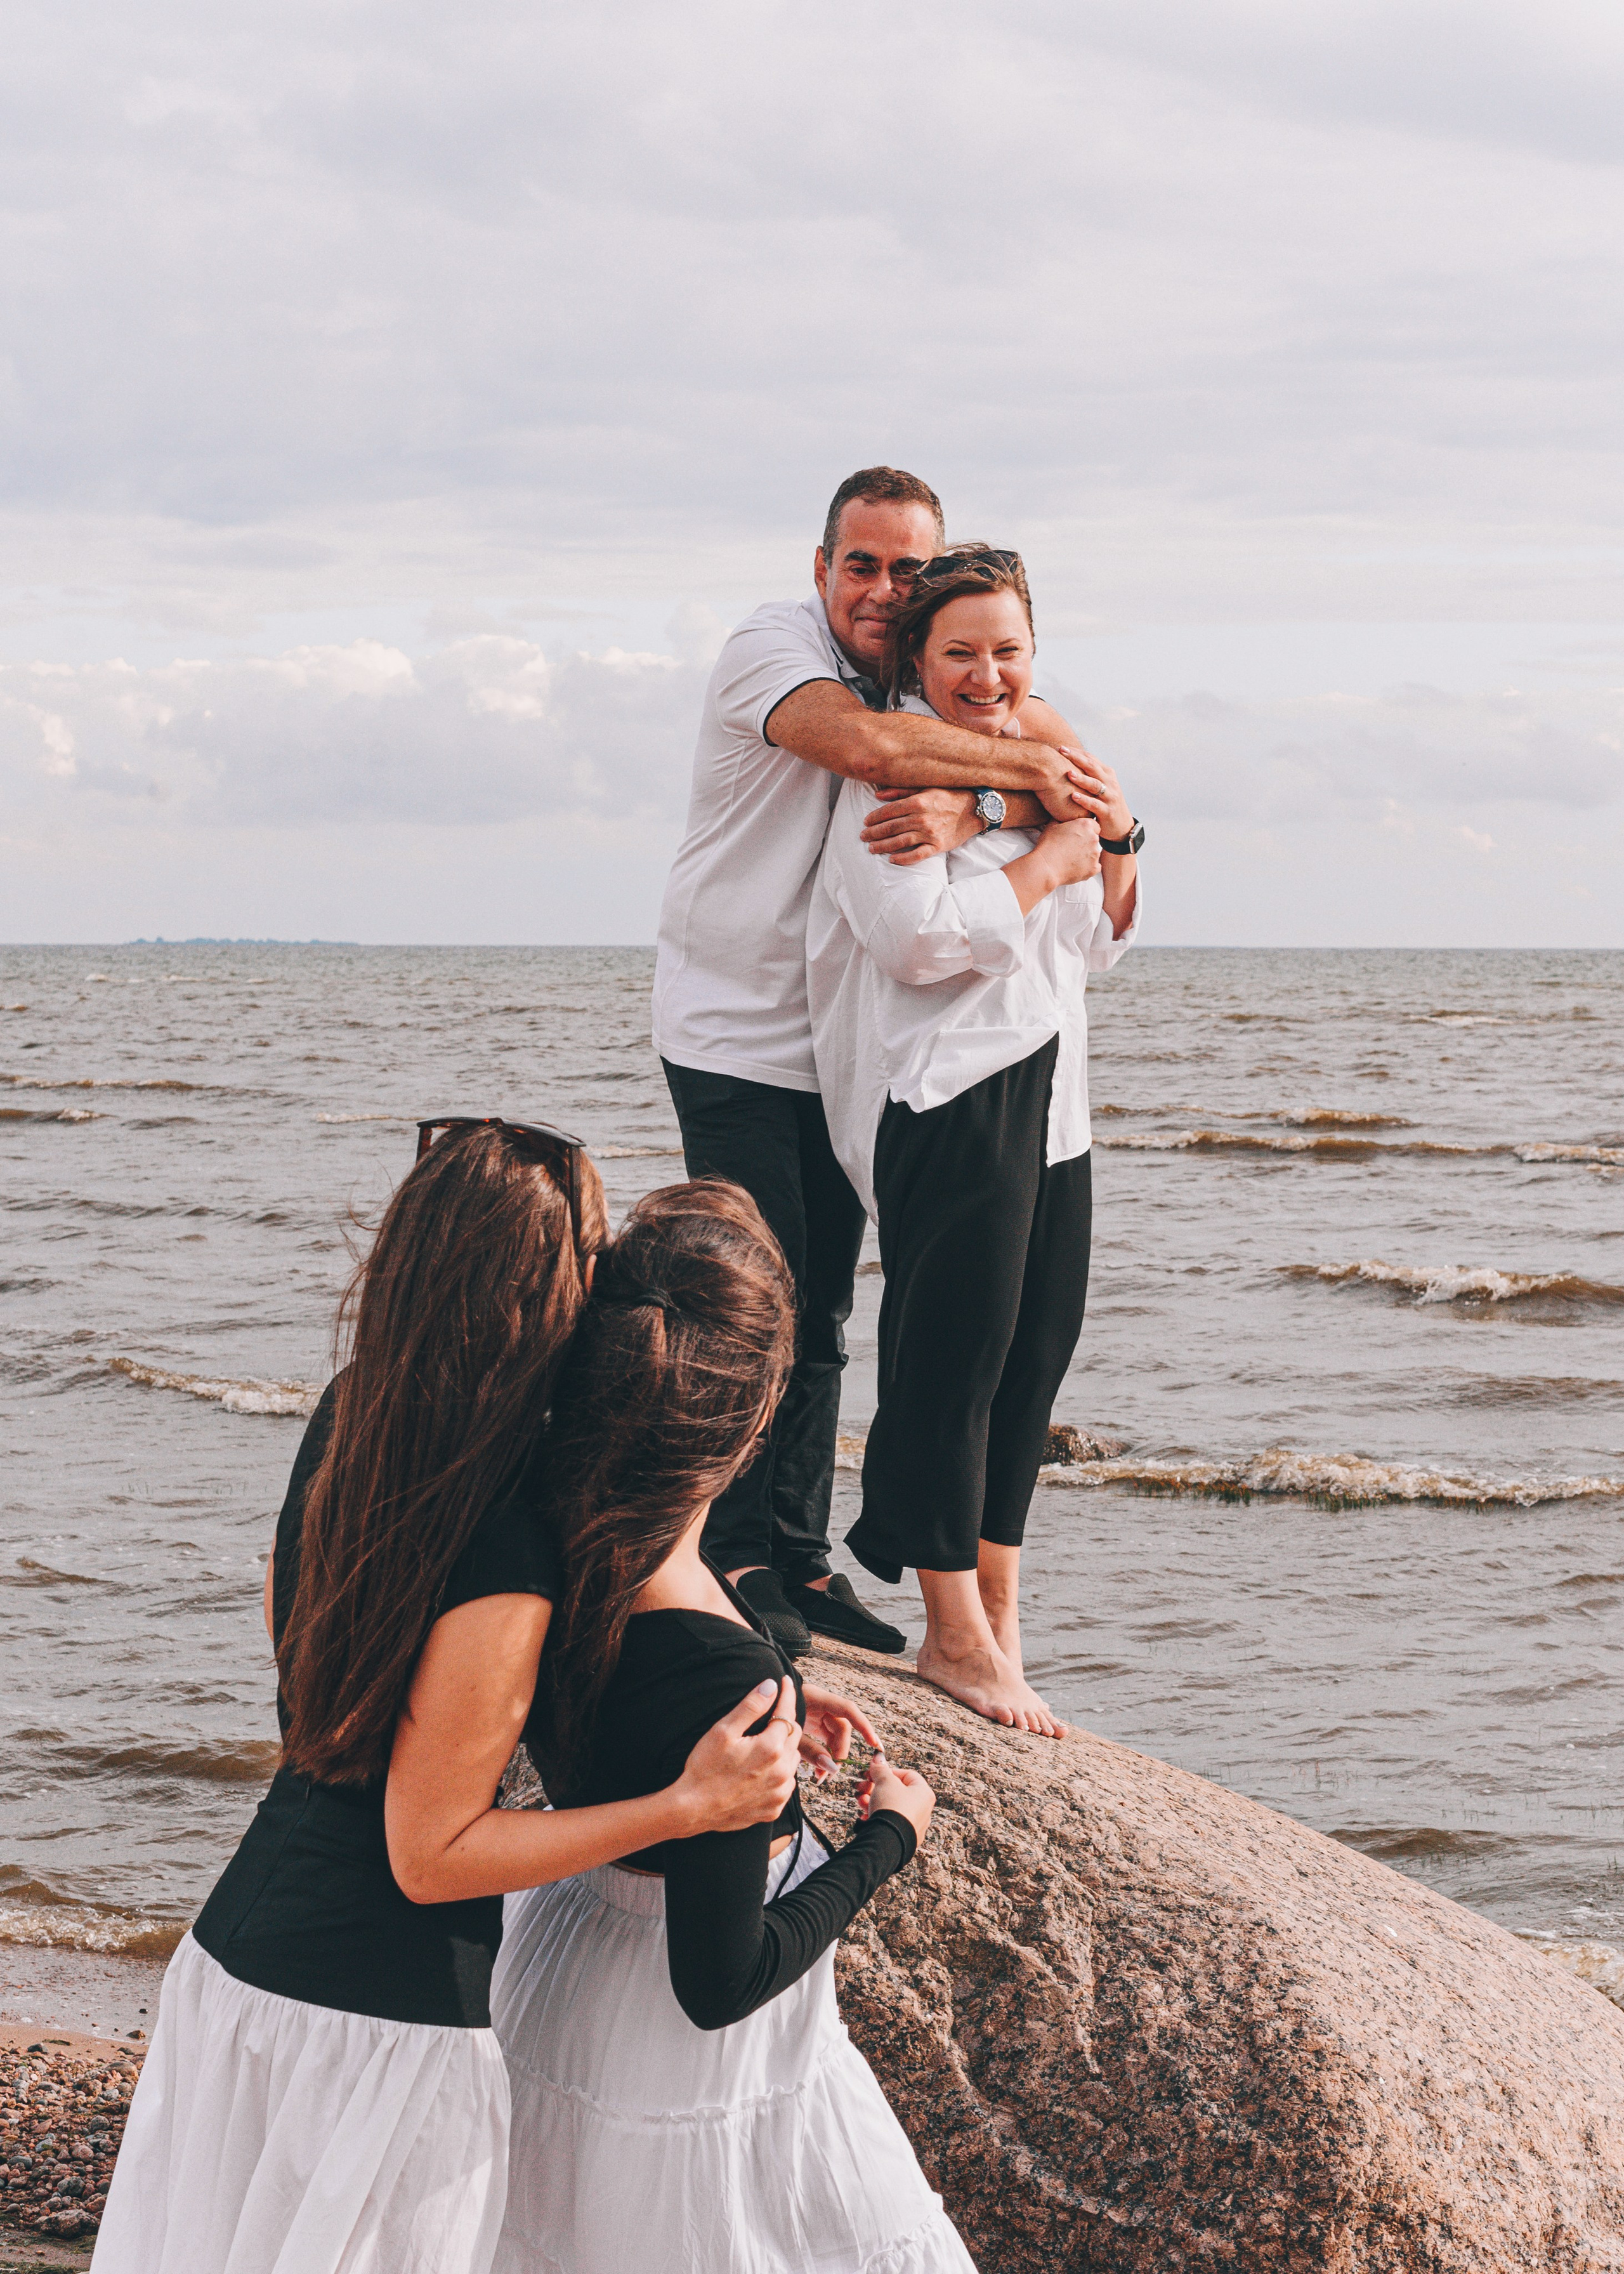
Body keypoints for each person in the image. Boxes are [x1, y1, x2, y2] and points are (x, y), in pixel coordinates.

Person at [92, 1118, 806, 2274]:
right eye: (595, 1261)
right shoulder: (508, 1547)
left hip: (234, 1967)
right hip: (378, 2027)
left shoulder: (355, 1418)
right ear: (549, 1292)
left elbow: (302, 1656)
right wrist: (687, 1806)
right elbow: (430, 1854)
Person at [652, 464, 1096, 1660]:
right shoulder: (774, 647)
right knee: (755, 1302)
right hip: (736, 1028)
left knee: (829, 1313)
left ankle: (795, 1554)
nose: (883, 589)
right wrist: (1014, 802)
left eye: (909, 569)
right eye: (863, 564)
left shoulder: (935, 673)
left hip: (844, 1043)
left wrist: (993, 812)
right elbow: (867, 750)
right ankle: (731, 1553)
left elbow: (1059, 744)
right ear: (821, 568)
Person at [492, 1179, 975, 2274]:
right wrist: (887, 1839)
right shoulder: (721, 1675)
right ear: (759, 1412)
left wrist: (784, 1701)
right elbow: (720, 1982)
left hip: (563, 1956)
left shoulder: (561, 1537)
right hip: (685, 2056)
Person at [806, 549, 1142, 1736]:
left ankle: (1001, 1606)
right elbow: (917, 944)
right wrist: (1056, 847)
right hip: (952, 1093)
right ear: (917, 661)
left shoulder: (1036, 775)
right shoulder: (888, 785)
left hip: (1055, 1098)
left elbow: (1097, 945)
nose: (986, 675)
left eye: (1007, 651)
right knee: (951, 1363)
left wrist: (1107, 843)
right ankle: (951, 1633)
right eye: (959, 652)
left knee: (1031, 1359)